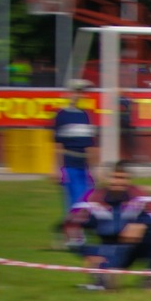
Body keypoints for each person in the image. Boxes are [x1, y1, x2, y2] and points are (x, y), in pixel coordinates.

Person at [66, 160, 151, 290]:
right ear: (106, 178)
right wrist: (85, 252)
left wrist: (142, 224)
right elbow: (70, 224)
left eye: (123, 178)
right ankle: (104, 275)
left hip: (134, 247)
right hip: (107, 248)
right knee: (107, 286)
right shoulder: (92, 198)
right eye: (115, 177)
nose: (119, 182)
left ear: (129, 180)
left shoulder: (139, 194)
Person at [51, 80, 98, 222]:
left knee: (88, 200)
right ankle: (72, 232)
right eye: (76, 91)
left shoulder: (86, 115)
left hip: (84, 165)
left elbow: (90, 145)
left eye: (81, 92)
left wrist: (94, 169)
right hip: (69, 164)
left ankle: (82, 230)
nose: (78, 95)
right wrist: (56, 168)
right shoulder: (62, 115)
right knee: (74, 201)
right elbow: (58, 145)